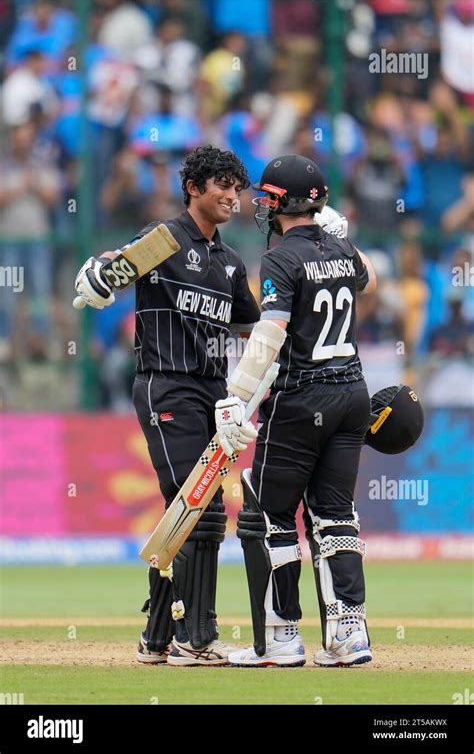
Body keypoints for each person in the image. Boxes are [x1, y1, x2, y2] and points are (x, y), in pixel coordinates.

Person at [74, 145, 260, 666]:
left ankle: (157, 638)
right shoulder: (163, 241)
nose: (231, 196)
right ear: (193, 189)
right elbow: (112, 270)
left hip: (212, 395)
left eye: (237, 187)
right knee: (200, 509)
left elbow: (258, 326)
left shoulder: (227, 262)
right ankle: (194, 638)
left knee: (183, 513)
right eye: (221, 185)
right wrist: (97, 275)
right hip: (165, 386)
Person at [213, 154, 378, 667]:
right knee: (335, 517)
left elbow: (268, 336)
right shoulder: (345, 250)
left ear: (282, 203)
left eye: (267, 198)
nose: (260, 206)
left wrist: (236, 399)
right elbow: (367, 276)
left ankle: (281, 638)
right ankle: (350, 636)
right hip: (352, 394)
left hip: (300, 397)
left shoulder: (283, 258)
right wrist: (334, 235)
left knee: (271, 515)